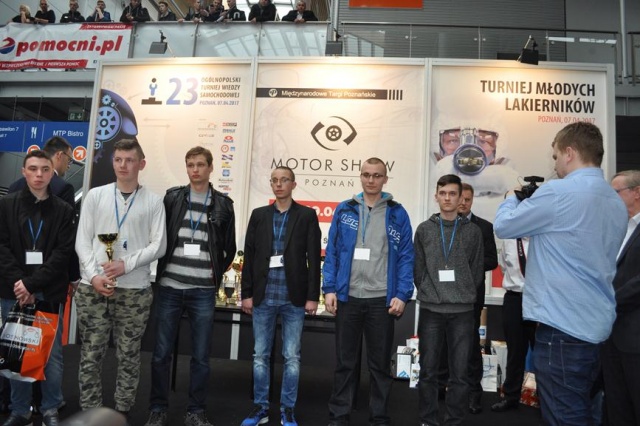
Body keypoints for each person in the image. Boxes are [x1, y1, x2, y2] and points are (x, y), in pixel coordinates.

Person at [493, 122, 627, 426]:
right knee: (589, 411)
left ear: (569, 153)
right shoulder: (614, 201)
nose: (554, 164)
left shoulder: (558, 193)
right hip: (598, 329)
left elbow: (504, 226)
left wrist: (512, 198)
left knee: (565, 417)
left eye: (555, 156)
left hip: (563, 330)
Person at [75, 139, 167, 420]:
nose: (123, 165)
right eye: (118, 160)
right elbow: (82, 242)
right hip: (93, 288)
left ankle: (122, 412)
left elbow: (158, 246)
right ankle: (90, 413)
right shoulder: (95, 196)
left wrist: (126, 264)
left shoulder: (153, 201)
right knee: (91, 354)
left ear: (141, 164)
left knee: (128, 355)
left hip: (134, 291)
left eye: (129, 160)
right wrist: (94, 275)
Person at [144, 147, 235, 426]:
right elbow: (159, 236)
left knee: (201, 357)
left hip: (203, 291)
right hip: (170, 286)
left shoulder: (223, 204)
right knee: (161, 354)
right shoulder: (172, 198)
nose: (195, 170)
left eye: (200, 165)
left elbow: (229, 248)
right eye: (190, 165)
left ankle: (195, 411)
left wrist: (212, 275)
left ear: (210, 168)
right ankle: (158, 409)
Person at [323, 157, 414, 426]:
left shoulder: (397, 213)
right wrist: (329, 288)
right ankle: (339, 416)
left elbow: (406, 257)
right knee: (345, 363)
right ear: (360, 176)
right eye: (366, 175)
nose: (371, 180)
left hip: (381, 299)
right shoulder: (345, 209)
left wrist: (402, 293)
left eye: (376, 175)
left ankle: (379, 418)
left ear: (385, 179)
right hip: (348, 297)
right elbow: (332, 252)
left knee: (379, 366)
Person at [240, 166, 321, 426]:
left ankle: (288, 409)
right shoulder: (259, 215)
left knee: (292, 357)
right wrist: (246, 293)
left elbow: (313, 258)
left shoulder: (306, 215)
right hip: (263, 297)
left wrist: (313, 296)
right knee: (260, 356)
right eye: (274, 180)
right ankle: (261, 407)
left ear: (293, 184)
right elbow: (250, 256)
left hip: (293, 298)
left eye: (284, 180)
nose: (278, 184)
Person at [0, 150, 75, 426]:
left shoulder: (64, 210)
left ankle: (50, 409)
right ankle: (20, 411)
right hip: (14, 291)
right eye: (33, 169)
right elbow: (2, 248)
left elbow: (62, 253)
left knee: (52, 357)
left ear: (52, 173)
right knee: (17, 353)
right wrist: (21, 283)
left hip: (48, 290)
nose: (39, 175)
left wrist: (31, 284)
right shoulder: (6, 205)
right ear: (24, 172)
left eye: (45, 169)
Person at [414, 174, 484, 426]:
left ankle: (454, 420)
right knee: (428, 371)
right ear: (436, 196)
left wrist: (462, 291)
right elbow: (418, 269)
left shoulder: (473, 232)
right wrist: (429, 290)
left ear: (460, 197)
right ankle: (428, 420)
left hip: (462, 312)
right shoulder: (424, 230)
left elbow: (477, 271)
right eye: (443, 193)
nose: (447, 198)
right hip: (431, 309)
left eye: (452, 194)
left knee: (460, 373)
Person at [602, 170, 640, 426]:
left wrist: (608, 300)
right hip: (611, 336)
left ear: (637, 192)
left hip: (635, 338)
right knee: (617, 407)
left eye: (616, 192)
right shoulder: (619, 228)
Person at [458, 183, 497, 414]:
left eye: (467, 199)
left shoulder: (484, 227)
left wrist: (467, 264)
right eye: (460, 198)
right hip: (446, 296)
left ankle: (474, 393)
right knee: (444, 343)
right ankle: (445, 387)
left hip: (472, 296)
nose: (463, 203)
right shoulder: (444, 224)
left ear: (472, 200)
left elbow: (492, 260)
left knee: (472, 345)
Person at [490, 237, 536, 413]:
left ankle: (547, 398)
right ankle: (510, 397)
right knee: (515, 350)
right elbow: (503, 267)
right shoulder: (509, 240)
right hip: (514, 298)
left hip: (538, 299)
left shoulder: (543, 237)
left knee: (542, 351)